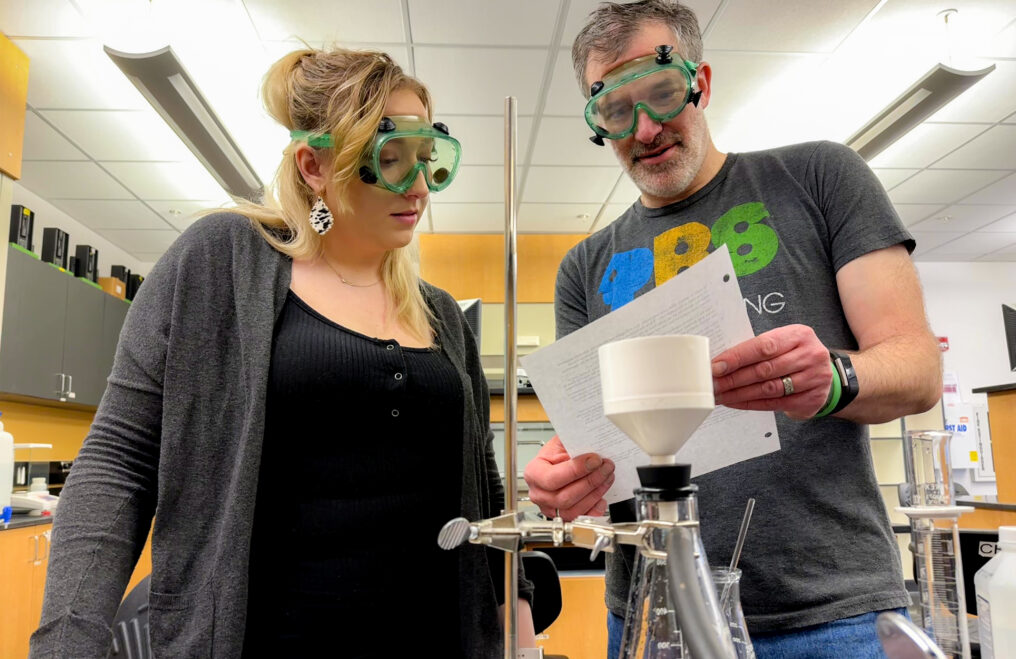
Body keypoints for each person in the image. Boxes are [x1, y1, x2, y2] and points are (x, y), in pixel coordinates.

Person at [30, 47, 533, 658]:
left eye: (430, 160)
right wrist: (66, 643)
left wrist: (518, 611)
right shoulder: (220, 263)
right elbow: (119, 462)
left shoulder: (443, 316)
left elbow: (482, 483)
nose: (421, 186)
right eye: (391, 159)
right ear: (314, 165)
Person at [523, 1, 942, 657]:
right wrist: (567, 482)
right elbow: (597, 451)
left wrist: (833, 377)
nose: (646, 126)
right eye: (614, 110)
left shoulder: (820, 178)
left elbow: (918, 368)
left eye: (661, 93)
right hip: (650, 615)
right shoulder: (584, 267)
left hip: (828, 615)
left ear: (701, 82)